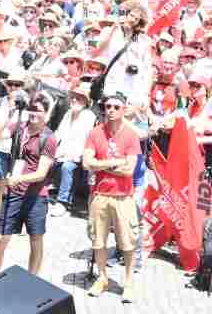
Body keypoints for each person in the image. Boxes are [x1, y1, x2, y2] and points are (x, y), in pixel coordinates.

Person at [0, 92, 58, 278]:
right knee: (0, 239)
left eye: (38, 110)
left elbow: (41, 173)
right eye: (31, 109)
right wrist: (12, 114)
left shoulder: (49, 138)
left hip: (36, 197)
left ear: (47, 114)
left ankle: (31, 280)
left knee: (36, 240)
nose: (33, 113)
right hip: (14, 193)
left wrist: (18, 179)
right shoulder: (20, 128)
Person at [83, 92, 142, 303]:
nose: (111, 110)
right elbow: (86, 163)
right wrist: (113, 162)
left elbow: (129, 170)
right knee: (98, 241)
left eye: (116, 107)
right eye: (108, 106)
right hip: (99, 194)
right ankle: (102, 278)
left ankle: (128, 282)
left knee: (127, 243)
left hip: (123, 196)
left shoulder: (131, 135)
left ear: (124, 109)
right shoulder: (95, 133)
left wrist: (102, 164)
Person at [53, 84, 97, 215]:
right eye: (73, 97)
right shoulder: (68, 113)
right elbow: (58, 133)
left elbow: (87, 141)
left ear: (85, 102)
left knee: (67, 166)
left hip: (78, 156)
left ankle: (63, 202)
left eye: (79, 98)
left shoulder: (89, 116)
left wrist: (75, 155)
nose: (74, 100)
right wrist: (49, 148)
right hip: (62, 152)